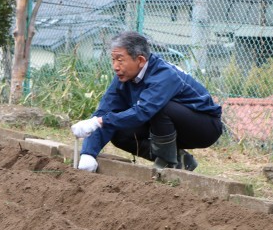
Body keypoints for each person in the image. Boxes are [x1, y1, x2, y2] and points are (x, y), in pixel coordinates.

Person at [71, 31, 222, 173]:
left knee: (161, 108)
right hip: (166, 125)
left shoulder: (164, 75)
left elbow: (142, 112)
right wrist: (88, 153)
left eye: (120, 60)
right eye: (113, 59)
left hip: (204, 126)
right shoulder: (124, 78)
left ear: (141, 60)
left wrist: (99, 122)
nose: (115, 66)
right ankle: (180, 161)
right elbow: (105, 111)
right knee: (119, 132)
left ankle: (168, 163)